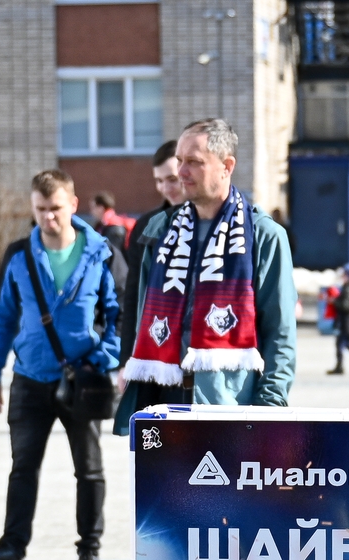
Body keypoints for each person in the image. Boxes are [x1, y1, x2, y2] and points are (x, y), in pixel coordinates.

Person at [0, 170, 123, 560]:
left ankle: (89, 550)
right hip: (30, 377)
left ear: (73, 204)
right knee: (23, 467)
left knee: (88, 469)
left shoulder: (101, 253)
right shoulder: (19, 255)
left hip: (83, 377)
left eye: (55, 208)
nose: (47, 217)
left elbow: (119, 314)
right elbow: (2, 318)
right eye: (40, 209)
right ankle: (11, 550)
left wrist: (103, 359)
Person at [119, 117, 298, 409]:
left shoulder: (263, 235)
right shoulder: (160, 230)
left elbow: (280, 332)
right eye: (179, 160)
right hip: (162, 401)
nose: (181, 172)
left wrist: (269, 408)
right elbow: (140, 316)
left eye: (194, 162)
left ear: (227, 166)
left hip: (229, 405)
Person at [117, 140, 185, 362]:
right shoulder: (146, 226)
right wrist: (126, 359)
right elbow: (133, 295)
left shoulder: (211, 224)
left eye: (172, 179)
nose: (165, 188)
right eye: (159, 181)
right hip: (155, 349)